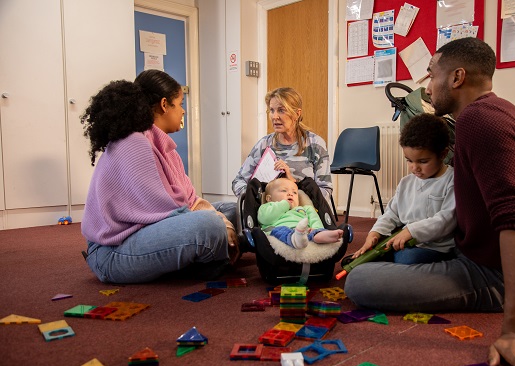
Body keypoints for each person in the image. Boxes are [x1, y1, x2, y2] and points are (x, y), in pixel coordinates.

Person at [344, 38, 515, 366]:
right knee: (397, 258)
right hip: (486, 257)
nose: (427, 87)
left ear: (456, 77)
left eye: (431, 74)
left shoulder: (478, 120)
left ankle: (508, 297)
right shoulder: (499, 109)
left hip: (491, 275)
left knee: (360, 281)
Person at [80, 70, 239, 284]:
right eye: (180, 103)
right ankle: (225, 249)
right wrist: (222, 224)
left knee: (234, 209)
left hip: (147, 231)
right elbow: (169, 211)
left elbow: (190, 201)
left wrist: (226, 220)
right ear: (165, 104)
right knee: (209, 225)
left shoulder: (164, 146)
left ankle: (221, 249)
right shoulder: (134, 143)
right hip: (113, 252)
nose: (183, 111)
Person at [351, 113, 455, 264]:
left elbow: (445, 221)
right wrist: (375, 232)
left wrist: (411, 231)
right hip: (404, 242)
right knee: (368, 258)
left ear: (443, 154)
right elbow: (391, 213)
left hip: (434, 248)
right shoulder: (406, 182)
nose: (414, 168)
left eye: (423, 161)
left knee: (406, 259)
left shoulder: (451, 180)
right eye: (409, 160)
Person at [232, 87, 333, 202]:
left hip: (303, 212)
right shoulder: (264, 144)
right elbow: (238, 181)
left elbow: (325, 190)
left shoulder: (315, 144)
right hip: (268, 210)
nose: (275, 117)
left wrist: (292, 197)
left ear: (296, 114)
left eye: (281, 110)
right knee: (221, 210)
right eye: (272, 110)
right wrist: (257, 199)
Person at [258, 178, 343, 249]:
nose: (290, 194)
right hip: (279, 232)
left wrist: (316, 229)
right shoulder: (268, 206)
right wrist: (284, 204)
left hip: (305, 232)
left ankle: (323, 236)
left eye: (295, 192)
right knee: (279, 230)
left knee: (314, 232)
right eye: (284, 190)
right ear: (269, 198)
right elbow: (265, 219)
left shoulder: (305, 208)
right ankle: (295, 239)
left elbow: (315, 220)